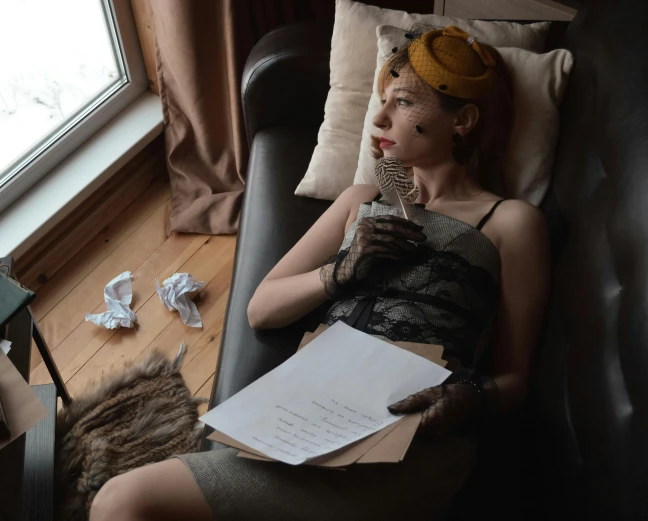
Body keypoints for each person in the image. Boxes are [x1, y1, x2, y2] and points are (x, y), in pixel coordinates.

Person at [89, 24, 551, 521]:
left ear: (463, 119)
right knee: (119, 499)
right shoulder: (362, 199)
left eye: (403, 103)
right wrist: (343, 271)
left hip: (407, 443)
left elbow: (514, 380)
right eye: (382, 101)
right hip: (304, 421)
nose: (379, 117)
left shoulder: (510, 222)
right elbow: (261, 309)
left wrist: (470, 395)